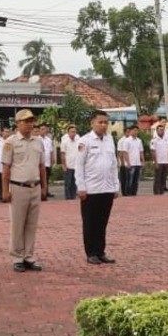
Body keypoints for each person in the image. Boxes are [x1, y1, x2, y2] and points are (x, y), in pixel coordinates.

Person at [2, 109, 47, 272]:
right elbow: (6, 168)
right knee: (18, 224)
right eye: (26, 121)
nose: (30, 124)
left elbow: (42, 166)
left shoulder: (38, 141)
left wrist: (44, 187)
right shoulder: (10, 142)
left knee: (31, 224)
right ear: (18, 123)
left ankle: (29, 256)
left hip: (35, 187)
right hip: (18, 187)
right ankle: (17, 257)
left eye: (31, 121)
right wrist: (5, 191)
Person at [76, 110, 119, 265]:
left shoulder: (109, 140)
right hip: (91, 189)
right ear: (92, 123)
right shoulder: (85, 141)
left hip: (107, 188)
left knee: (102, 222)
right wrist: (81, 187)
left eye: (106, 122)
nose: (103, 125)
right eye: (100, 122)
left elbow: (113, 164)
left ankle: (100, 251)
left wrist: (115, 186)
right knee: (90, 222)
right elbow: (79, 166)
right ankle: (91, 253)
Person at [117, 125, 143, 196]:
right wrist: (125, 162)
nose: (136, 132)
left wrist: (142, 161)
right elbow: (123, 152)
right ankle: (126, 193)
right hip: (128, 163)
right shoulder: (124, 141)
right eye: (134, 130)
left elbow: (141, 152)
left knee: (136, 180)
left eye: (137, 130)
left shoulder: (139, 140)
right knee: (127, 180)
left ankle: (134, 193)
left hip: (137, 163)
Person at [149, 123, 168, 195]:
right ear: (157, 131)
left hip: (165, 162)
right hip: (158, 162)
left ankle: (161, 192)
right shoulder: (154, 140)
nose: (162, 131)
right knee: (157, 178)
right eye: (160, 130)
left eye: (163, 130)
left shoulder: (166, 140)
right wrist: (155, 162)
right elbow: (153, 152)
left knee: (163, 178)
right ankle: (156, 192)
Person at [60, 125, 80, 200]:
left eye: (74, 132)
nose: (73, 133)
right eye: (71, 132)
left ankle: (73, 197)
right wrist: (63, 165)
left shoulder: (79, 141)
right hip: (68, 166)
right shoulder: (64, 142)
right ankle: (68, 199)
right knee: (68, 184)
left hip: (76, 166)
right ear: (68, 133)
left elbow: (81, 152)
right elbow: (62, 154)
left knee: (74, 184)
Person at [38, 123, 54, 202]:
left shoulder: (49, 140)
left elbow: (51, 152)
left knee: (46, 179)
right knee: (40, 180)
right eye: (42, 129)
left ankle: (45, 193)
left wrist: (51, 163)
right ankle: (40, 194)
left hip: (47, 163)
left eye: (45, 129)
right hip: (40, 164)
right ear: (39, 130)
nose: (44, 131)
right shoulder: (37, 139)